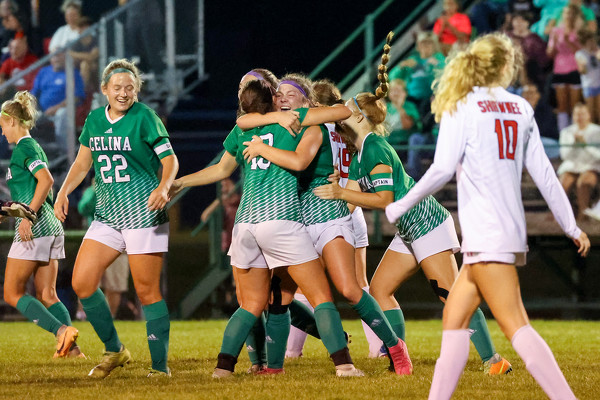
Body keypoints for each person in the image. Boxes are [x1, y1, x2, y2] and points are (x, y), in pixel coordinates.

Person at [384, 32, 590, 400]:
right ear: (506, 67)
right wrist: (571, 225)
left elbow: (441, 169)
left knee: (516, 325)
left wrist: (400, 205)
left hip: (486, 233)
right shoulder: (521, 108)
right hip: (501, 231)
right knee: (454, 323)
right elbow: (544, 173)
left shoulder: (461, 105)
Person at [313, 36, 512, 376]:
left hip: (425, 223)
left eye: (348, 109)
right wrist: (338, 187)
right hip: (408, 229)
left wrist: (342, 194)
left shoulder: (374, 147)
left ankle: (494, 361)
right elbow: (359, 190)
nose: (342, 113)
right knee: (379, 289)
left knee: (450, 293)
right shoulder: (362, 151)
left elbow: (384, 200)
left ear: (360, 117)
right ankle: (397, 355)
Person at [170, 78, 364, 378]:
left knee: (251, 304)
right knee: (320, 297)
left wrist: (180, 181)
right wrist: (283, 117)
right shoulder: (294, 120)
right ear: (273, 98)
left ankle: (223, 369)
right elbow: (339, 114)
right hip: (280, 220)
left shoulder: (243, 127)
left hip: (245, 225)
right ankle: (345, 365)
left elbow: (221, 169)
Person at [238, 61, 413, 375]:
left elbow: (302, 158)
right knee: (282, 294)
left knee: (349, 288)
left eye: (292, 94)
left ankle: (395, 347)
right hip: (294, 219)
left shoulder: (313, 124)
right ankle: (273, 367)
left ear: (307, 102)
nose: (283, 98)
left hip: (327, 214)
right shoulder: (281, 125)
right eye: (279, 94)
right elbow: (245, 121)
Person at [54, 58, 178, 378]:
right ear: (104, 90)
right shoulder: (95, 120)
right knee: (82, 282)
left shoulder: (146, 117)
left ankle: (160, 367)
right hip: (107, 216)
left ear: (136, 90)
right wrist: (64, 190)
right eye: (118, 87)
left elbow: (170, 160)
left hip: (145, 214)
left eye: (130, 88)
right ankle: (115, 350)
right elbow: (83, 163)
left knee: (147, 291)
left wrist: (164, 186)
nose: (124, 93)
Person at [1, 90, 81, 358]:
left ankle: (60, 333)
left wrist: (27, 214)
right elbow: (33, 188)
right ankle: (72, 350)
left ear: (12, 121)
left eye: (2, 126)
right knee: (47, 294)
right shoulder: (28, 148)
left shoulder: (25, 147)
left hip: (35, 227)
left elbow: (46, 180)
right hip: (49, 228)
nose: (3, 133)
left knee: (12, 293)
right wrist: (11, 212)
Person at [30, 51, 85, 148]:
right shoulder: (44, 72)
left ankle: (63, 152)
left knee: (62, 113)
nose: (56, 59)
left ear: (65, 58)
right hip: (42, 111)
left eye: (59, 56)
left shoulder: (72, 73)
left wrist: (56, 108)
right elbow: (33, 93)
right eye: (54, 57)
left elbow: (76, 97)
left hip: (64, 111)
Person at [557, 102, 600, 219]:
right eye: (576, 114)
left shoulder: (597, 131)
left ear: (589, 115)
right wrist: (574, 145)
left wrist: (585, 146)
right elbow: (565, 156)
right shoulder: (566, 132)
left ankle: (583, 214)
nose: (579, 117)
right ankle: (561, 217)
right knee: (563, 183)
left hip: (591, 166)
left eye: (582, 114)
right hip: (571, 166)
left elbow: (598, 156)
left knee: (583, 182)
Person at [547, 4, 583, 131]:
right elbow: (550, 53)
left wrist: (568, 41)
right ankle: (563, 135)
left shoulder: (580, 32)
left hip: (575, 69)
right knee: (562, 106)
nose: (568, 16)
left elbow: (581, 52)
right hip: (559, 70)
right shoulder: (556, 31)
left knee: (574, 105)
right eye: (566, 13)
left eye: (571, 14)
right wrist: (555, 42)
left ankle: (575, 133)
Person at [521, 83, 560, 158]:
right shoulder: (517, 110)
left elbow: (544, 130)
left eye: (532, 93)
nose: (529, 96)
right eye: (526, 94)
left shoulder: (546, 110)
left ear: (538, 95)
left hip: (545, 142)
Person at [575, 30, 600, 123]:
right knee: (590, 113)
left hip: (599, 84)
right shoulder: (580, 54)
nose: (593, 43)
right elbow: (582, 71)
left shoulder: (598, 51)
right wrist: (583, 65)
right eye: (590, 41)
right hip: (588, 86)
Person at [69, 16, 98, 93]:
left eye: (83, 26)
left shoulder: (96, 40)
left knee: (85, 64)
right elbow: (69, 54)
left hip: (97, 69)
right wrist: (84, 55)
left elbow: (92, 57)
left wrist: (76, 54)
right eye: (80, 27)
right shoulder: (76, 43)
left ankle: (81, 92)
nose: (81, 29)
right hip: (79, 68)